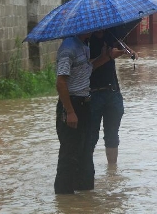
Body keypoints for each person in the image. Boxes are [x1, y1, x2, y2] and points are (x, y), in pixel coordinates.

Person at [54, 33, 109, 194]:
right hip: (72, 104)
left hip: (85, 104)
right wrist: (70, 111)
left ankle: (84, 200)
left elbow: (87, 70)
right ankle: (64, 199)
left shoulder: (83, 46)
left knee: (85, 153)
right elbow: (61, 82)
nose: (94, 29)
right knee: (69, 155)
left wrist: (106, 57)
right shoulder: (68, 48)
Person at [88, 29, 137, 169]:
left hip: (113, 93)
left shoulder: (112, 35)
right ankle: (87, 172)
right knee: (91, 136)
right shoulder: (86, 40)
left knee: (112, 135)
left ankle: (112, 172)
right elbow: (86, 68)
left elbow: (123, 48)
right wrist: (107, 57)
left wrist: (130, 52)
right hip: (93, 93)